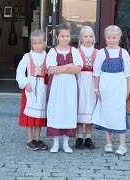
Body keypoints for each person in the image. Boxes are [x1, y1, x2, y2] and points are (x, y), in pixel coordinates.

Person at [92, 25, 130, 156]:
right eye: (109, 37)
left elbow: (128, 74)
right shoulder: (101, 53)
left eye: (114, 37)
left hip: (119, 86)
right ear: (105, 38)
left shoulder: (124, 53)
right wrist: (96, 88)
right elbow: (96, 73)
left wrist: (127, 90)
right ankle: (108, 142)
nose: (111, 40)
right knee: (106, 112)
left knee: (119, 113)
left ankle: (122, 144)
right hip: (105, 86)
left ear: (119, 38)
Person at [46, 23, 83, 153]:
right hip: (56, 86)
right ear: (57, 37)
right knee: (56, 111)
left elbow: (77, 69)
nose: (65, 38)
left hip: (70, 87)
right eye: (62, 36)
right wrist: (69, 65)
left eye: (67, 36)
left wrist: (61, 68)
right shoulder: (52, 51)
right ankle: (55, 143)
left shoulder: (75, 51)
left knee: (68, 110)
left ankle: (66, 143)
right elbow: (52, 70)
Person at [16, 29, 49, 151]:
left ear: (44, 43)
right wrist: (25, 83)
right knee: (29, 115)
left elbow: (51, 70)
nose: (37, 45)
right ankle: (30, 140)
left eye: (40, 43)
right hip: (30, 87)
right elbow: (19, 72)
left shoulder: (47, 56)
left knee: (39, 114)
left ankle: (37, 138)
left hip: (42, 87)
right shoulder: (27, 56)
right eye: (35, 43)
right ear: (31, 44)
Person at [74, 26, 99, 149]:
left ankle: (88, 136)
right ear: (81, 38)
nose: (88, 39)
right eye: (85, 36)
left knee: (90, 106)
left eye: (90, 36)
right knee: (80, 106)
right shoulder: (76, 51)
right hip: (80, 80)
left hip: (92, 82)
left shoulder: (97, 52)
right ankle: (79, 136)